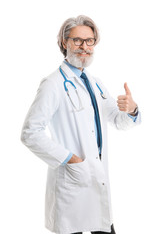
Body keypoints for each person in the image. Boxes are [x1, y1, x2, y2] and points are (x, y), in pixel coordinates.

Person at [20, 15, 141, 234]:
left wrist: (131, 109)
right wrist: (70, 159)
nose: (84, 47)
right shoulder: (53, 84)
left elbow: (117, 120)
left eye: (89, 41)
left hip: (95, 179)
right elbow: (30, 133)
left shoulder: (94, 83)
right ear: (64, 42)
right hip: (72, 181)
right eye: (77, 40)